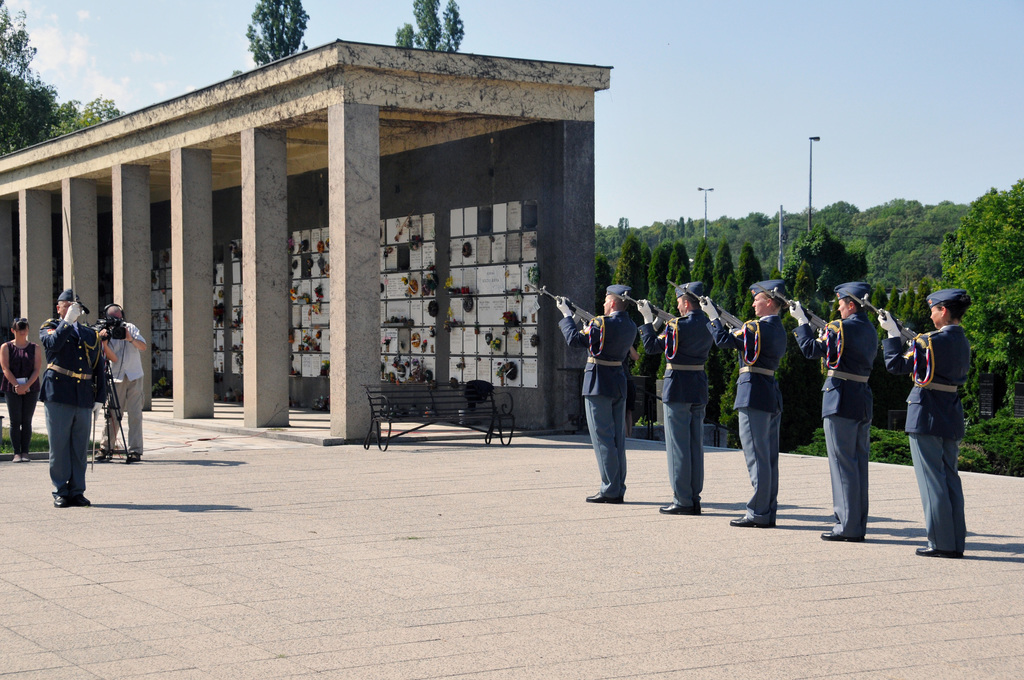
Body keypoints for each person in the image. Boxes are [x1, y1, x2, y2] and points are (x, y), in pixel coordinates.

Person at [881, 289, 971, 558]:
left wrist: (892, 334)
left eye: (933, 310)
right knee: (950, 479)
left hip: (926, 414)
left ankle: (941, 543)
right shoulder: (963, 340)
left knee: (932, 481)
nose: (930, 316)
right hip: (950, 413)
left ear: (944, 310)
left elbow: (895, 366)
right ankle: (955, 542)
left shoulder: (929, 341)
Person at [793, 282, 878, 542]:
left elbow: (810, 349)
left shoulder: (840, 328)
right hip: (861, 399)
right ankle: (857, 524)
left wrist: (801, 322)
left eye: (840, 304)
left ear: (851, 305)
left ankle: (847, 527)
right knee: (858, 465)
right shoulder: (870, 329)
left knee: (842, 466)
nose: (838, 309)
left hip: (840, 399)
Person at [703, 279, 788, 528]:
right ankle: (767, 510)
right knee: (768, 459)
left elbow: (723, 341)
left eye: (757, 299)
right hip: (769, 393)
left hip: (753, 394)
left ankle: (758, 512)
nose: (753, 304)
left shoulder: (756, 328)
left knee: (756, 457)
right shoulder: (778, 329)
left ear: (769, 302)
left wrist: (713, 317)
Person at [557, 284, 638, 503]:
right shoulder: (630, 325)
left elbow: (574, 340)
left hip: (598, 383)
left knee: (603, 438)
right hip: (618, 382)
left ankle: (609, 489)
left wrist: (566, 316)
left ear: (612, 303)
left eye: (605, 300)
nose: (603, 304)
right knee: (617, 440)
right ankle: (618, 486)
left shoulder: (601, 323)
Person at [638, 282, 713, 515]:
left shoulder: (677, 326)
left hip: (678, 387)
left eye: (680, 302)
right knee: (695, 446)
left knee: (678, 447)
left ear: (687, 303)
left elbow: (651, 347)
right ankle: (694, 497)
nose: (678, 307)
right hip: (698, 386)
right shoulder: (710, 324)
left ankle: (682, 500)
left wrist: (647, 321)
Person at [40, 289, 107, 508]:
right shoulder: (49, 327)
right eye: (66, 305)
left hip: (83, 395)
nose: (70, 309)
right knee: (59, 446)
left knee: (80, 447)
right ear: (58, 308)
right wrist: (66, 322)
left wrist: (100, 397)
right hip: (59, 393)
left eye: (73, 306)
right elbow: (52, 345)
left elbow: (98, 366)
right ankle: (61, 490)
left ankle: (77, 491)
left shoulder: (90, 334)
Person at [97, 303, 147, 462]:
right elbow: (112, 358)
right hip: (116, 377)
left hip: (134, 375)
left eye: (119, 317)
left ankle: (135, 450)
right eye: (113, 318)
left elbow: (143, 347)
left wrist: (130, 338)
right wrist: (104, 343)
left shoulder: (130, 328)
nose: (117, 321)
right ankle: (106, 447)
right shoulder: (106, 332)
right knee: (112, 413)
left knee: (135, 414)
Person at [1, 317, 42, 462]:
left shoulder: (35, 348)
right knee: (15, 420)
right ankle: (16, 452)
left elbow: (37, 369)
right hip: (11, 387)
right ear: (13, 330)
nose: (22, 332)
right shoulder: (6, 347)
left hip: (31, 387)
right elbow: (5, 368)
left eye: (25, 329)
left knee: (26, 420)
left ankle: (25, 452)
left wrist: (27, 385)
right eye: (19, 329)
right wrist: (17, 385)